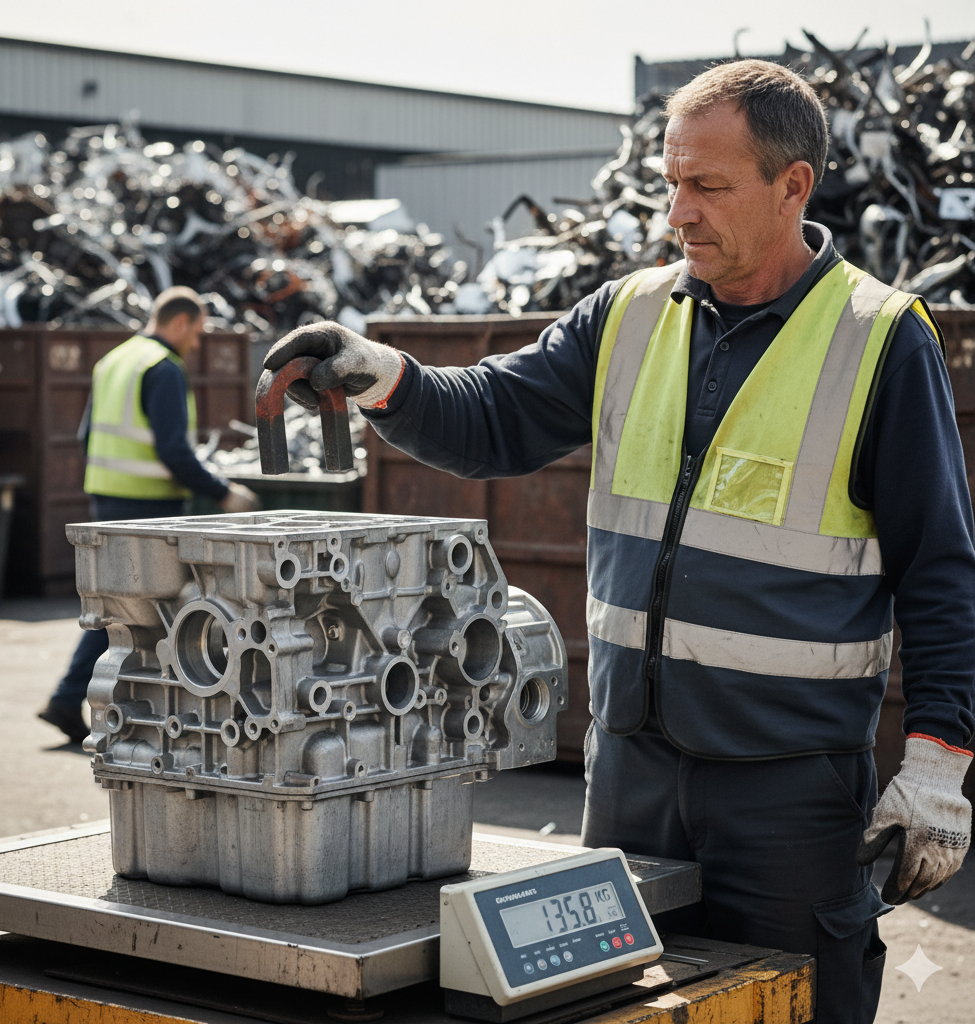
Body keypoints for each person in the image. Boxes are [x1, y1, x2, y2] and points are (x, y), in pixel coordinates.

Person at [261, 61, 973, 1023]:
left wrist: (938, 763)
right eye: (670, 182)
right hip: (631, 774)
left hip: (790, 794)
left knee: (795, 1006)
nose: (678, 212)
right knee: (615, 1013)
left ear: (793, 186)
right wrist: (378, 374)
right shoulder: (629, 314)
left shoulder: (880, 339)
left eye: (707, 185)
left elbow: (941, 572)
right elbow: (493, 418)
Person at [38, 286, 259, 745]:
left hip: (107, 498)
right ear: (179, 322)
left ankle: (72, 698)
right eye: (196, 332)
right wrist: (224, 494)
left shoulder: (114, 360)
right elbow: (173, 451)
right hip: (150, 506)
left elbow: (85, 435)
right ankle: (141, 713)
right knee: (147, 612)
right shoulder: (163, 368)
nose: (196, 343)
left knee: (115, 606)